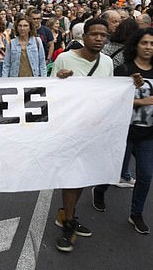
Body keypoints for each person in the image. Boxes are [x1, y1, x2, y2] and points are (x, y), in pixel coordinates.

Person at [52, 18, 114, 252]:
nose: (99, 38)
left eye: (103, 35)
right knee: (73, 177)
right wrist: (60, 81)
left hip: (95, 131)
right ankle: (68, 222)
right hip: (69, 130)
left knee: (84, 178)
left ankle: (67, 214)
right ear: (83, 36)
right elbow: (49, 94)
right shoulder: (64, 59)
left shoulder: (107, 63)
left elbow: (109, 95)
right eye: (94, 34)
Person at [91, 28, 153, 235]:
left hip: (148, 135)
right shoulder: (124, 70)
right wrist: (139, 101)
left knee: (145, 175)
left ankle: (136, 214)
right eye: (144, 43)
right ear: (136, 45)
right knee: (113, 171)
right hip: (123, 132)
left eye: (152, 44)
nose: (148, 47)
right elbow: (113, 101)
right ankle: (99, 191)